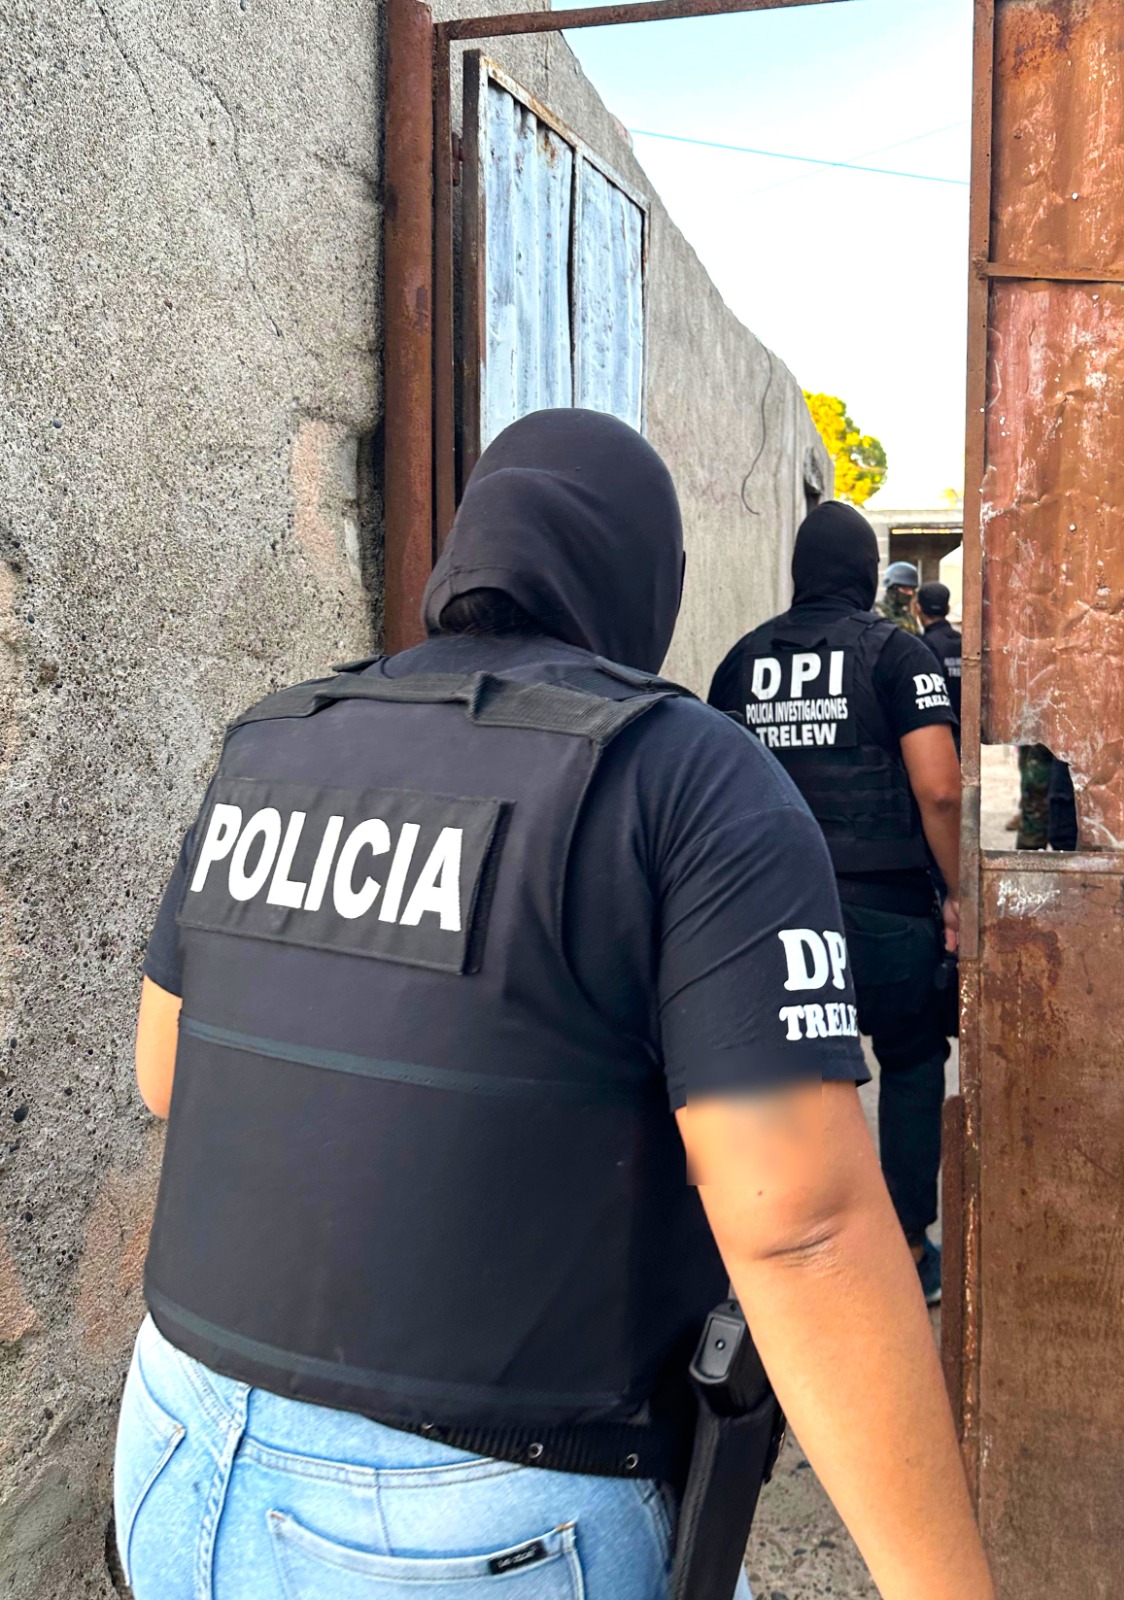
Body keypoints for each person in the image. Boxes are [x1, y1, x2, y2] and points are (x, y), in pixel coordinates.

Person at [115, 411, 992, 1600]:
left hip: (172, 1447)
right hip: (475, 1519)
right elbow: (803, 1228)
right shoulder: (679, 771)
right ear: (644, 576)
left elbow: (166, 1072)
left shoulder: (275, 737)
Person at [709, 504, 960, 1308]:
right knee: (912, 1060)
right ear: (867, 575)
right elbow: (939, 789)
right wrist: (959, 894)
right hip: (886, 912)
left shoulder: (742, 662)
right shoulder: (897, 653)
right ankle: (906, 1246)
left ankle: (792, 1255)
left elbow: (716, 792)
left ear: (798, 573)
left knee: (790, 1078)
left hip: (775, 916)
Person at [916, 580, 962, 727]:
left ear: (918, 608)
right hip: (964, 727)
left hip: (938, 727)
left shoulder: (920, 646)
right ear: (948, 609)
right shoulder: (963, 642)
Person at [877, 559, 920, 635]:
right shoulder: (877, 612)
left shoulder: (907, 617)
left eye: (912, 589)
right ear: (893, 589)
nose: (910, 593)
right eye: (906, 589)